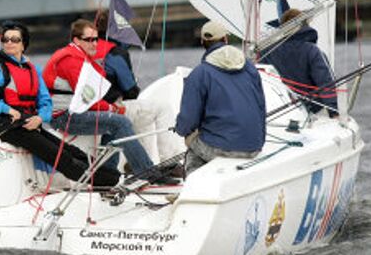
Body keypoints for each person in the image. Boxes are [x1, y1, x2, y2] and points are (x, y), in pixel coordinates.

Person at [0, 20, 120, 186]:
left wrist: (39, 118)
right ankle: (109, 182)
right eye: (5, 40)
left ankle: (116, 176)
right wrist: (7, 109)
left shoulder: (32, 69)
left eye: (14, 40)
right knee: (63, 158)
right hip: (12, 128)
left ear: (23, 44)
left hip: (33, 124)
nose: (9, 43)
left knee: (73, 151)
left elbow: (45, 101)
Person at [42, 19, 154, 175]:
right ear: (76, 40)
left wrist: (111, 109)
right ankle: (147, 172)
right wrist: (111, 108)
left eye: (96, 39)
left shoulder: (79, 56)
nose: (94, 43)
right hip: (63, 117)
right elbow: (86, 97)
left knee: (113, 124)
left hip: (73, 111)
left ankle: (108, 175)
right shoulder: (70, 60)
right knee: (120, 123)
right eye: (88, 40)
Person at [175, 21, 266, 174]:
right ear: (225, 40)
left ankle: (194, 190)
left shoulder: (199, 74)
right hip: (254, 146)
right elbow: (261, 106)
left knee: (191, 143)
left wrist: (180, 129)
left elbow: (187, 122)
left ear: (203, 43)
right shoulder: (250, 68)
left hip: (221, 148)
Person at [94, 11, 183, 163]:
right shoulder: (116, 53)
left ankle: (139, 163)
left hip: (92, 108)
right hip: (110, 108)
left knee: (143, 115)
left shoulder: (89, 48)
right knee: (161, 108)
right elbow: (130, 91)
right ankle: (168, 162)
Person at [260, 8, 338, 117]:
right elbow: (325, 82)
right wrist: (333, 111)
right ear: (305, 25)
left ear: (283, 27)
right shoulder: (313, 51)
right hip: (310, 109)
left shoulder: (266, 51)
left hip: (277, 110)